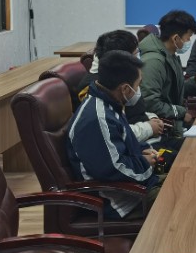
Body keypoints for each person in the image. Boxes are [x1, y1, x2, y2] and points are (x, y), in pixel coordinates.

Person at [67, 50, 161, 220]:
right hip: (120, 202)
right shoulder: (98, 119)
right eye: (138, 85)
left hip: (135, 187)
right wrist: (145, 163)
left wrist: (142, 151)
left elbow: (122, 142)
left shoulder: (110, 103)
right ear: (125, 88)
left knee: (187, 181)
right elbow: (115, 168)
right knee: (185, 198)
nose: (138, 90)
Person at [77, 29, 170, 146]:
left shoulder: (124, 74)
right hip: (138, 143)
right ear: (121, 58)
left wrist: (152, 118)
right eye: (135, 54)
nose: (138, 58)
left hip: (146, 135)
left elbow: (136, 110)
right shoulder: (99, 86)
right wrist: (149, 128)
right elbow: (113, 130)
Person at [140, 10, 196, 137]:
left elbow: (175, 90)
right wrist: (182, 112)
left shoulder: (170, 55)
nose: (189, 41)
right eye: (188, 38)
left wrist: (195, 81)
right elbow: (150, 103)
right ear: (176, 38)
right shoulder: (154, 62)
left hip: (174, 123)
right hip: (163, 130)